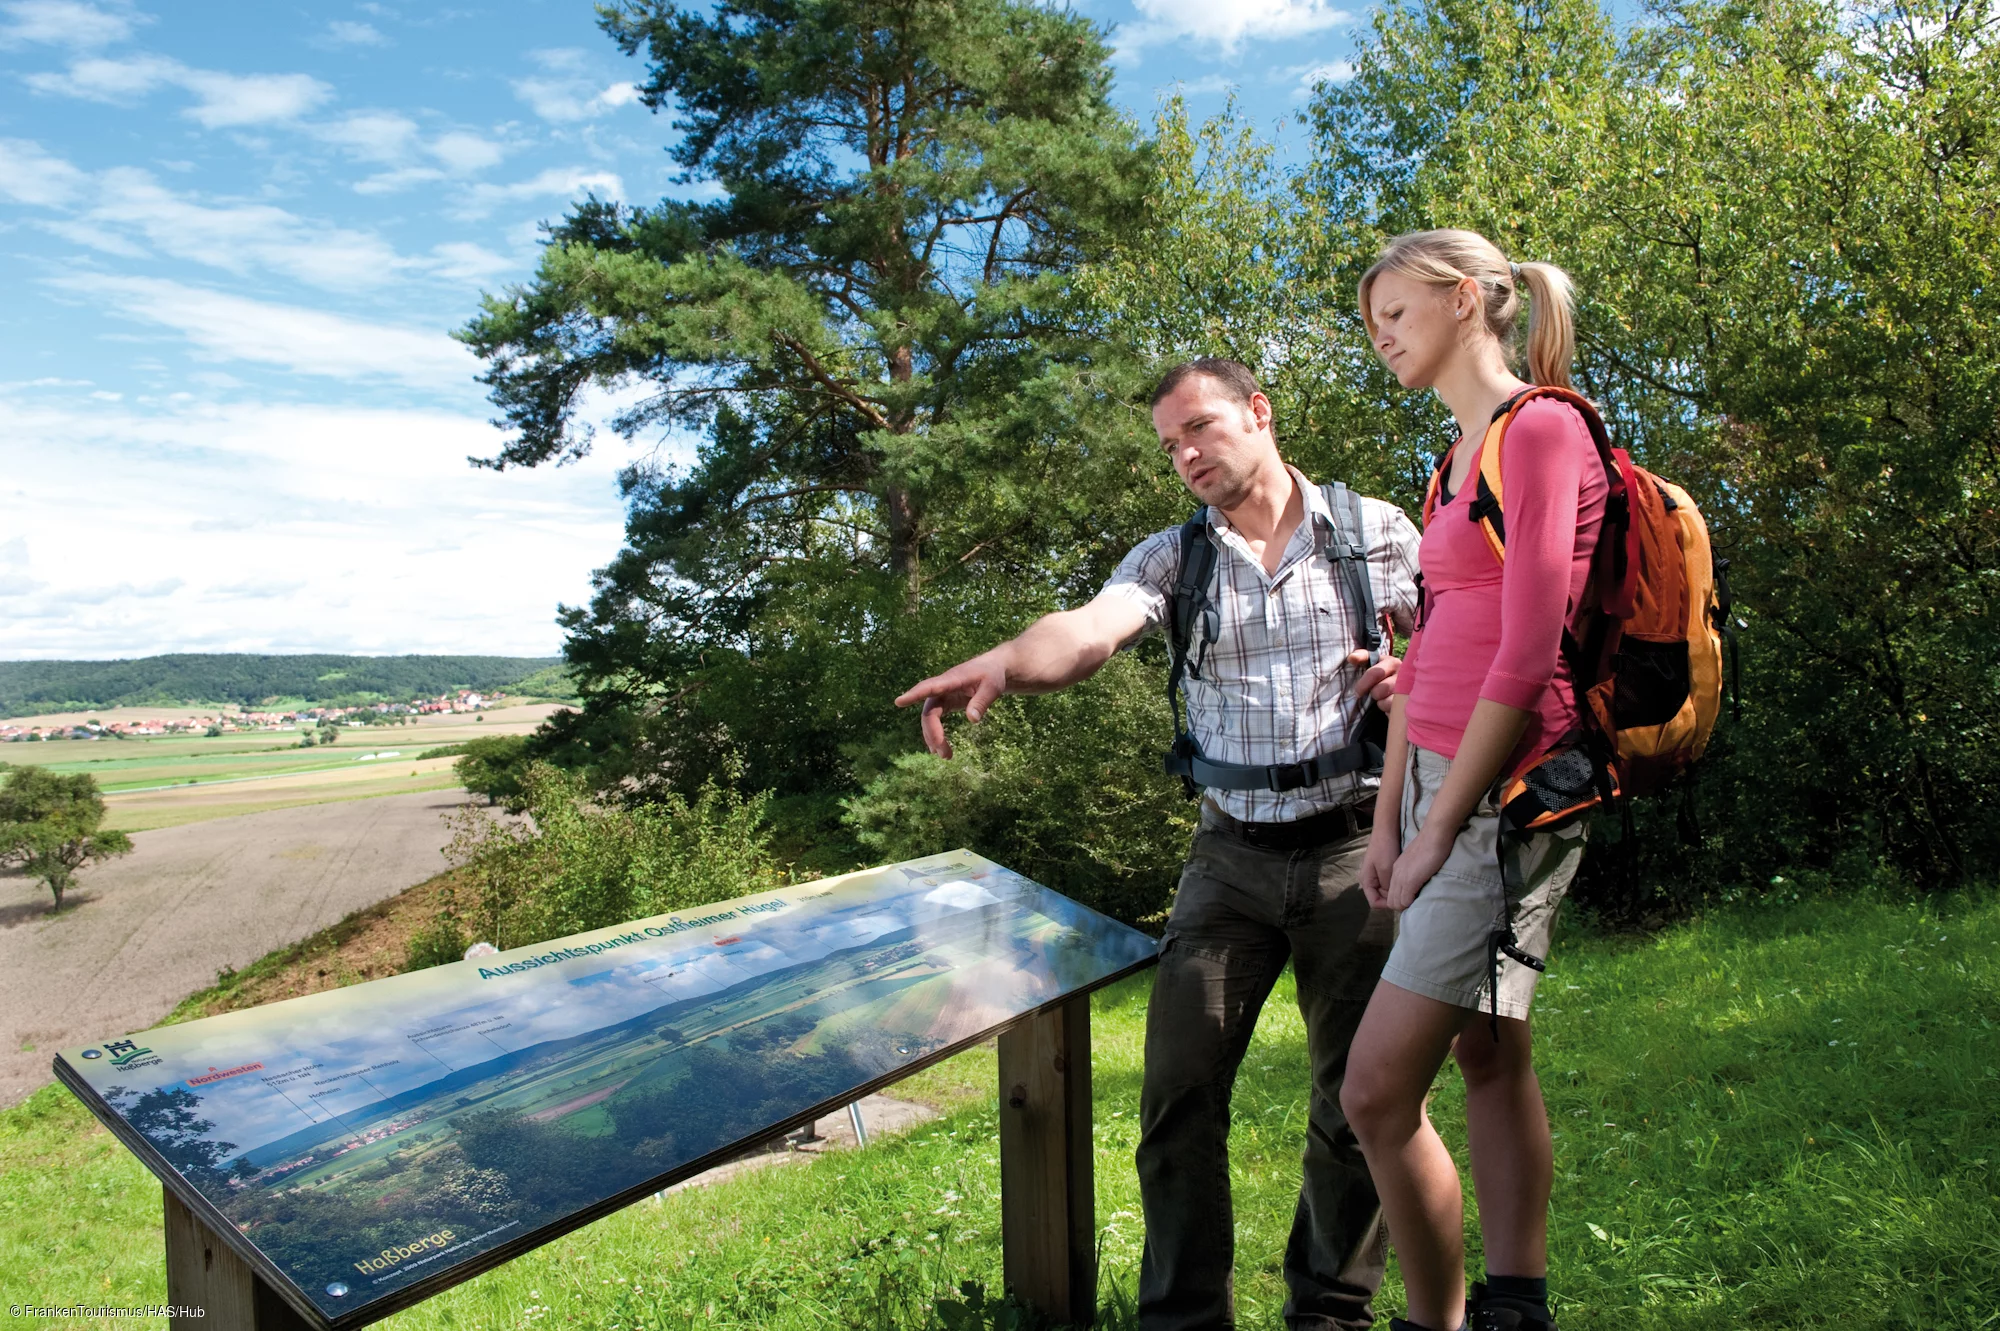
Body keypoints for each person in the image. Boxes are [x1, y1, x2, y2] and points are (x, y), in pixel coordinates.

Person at [896, 357, 1422, 1331]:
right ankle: (1182, 1320)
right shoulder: (1173, 557)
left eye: (1200, 428)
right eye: (1169, 443)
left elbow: (1447, 653)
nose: (1184, 454)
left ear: (1258, 412)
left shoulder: (1374, 529)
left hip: (1356, 846)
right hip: (1226, 858)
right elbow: (1089, 629)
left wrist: (1412, 676)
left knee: (1356, 1106)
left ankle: (1330, 1312)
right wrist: (1011, 660)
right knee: (1177, 1101)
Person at [1336, 230, 1606, 1331]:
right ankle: (1515, 1308)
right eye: (1369, 325)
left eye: (1393, 312)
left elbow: (1530, 645)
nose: (1380, 338)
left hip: (1503, 787)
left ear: (1462, 300)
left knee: (1372, 1088)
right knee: (1485, 1046)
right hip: (1433, 780)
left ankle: (1437, 1319)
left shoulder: (1539, 430)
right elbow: (1435, 647)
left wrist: (1444, 823)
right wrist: (1388, 819)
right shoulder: (1454, 462)